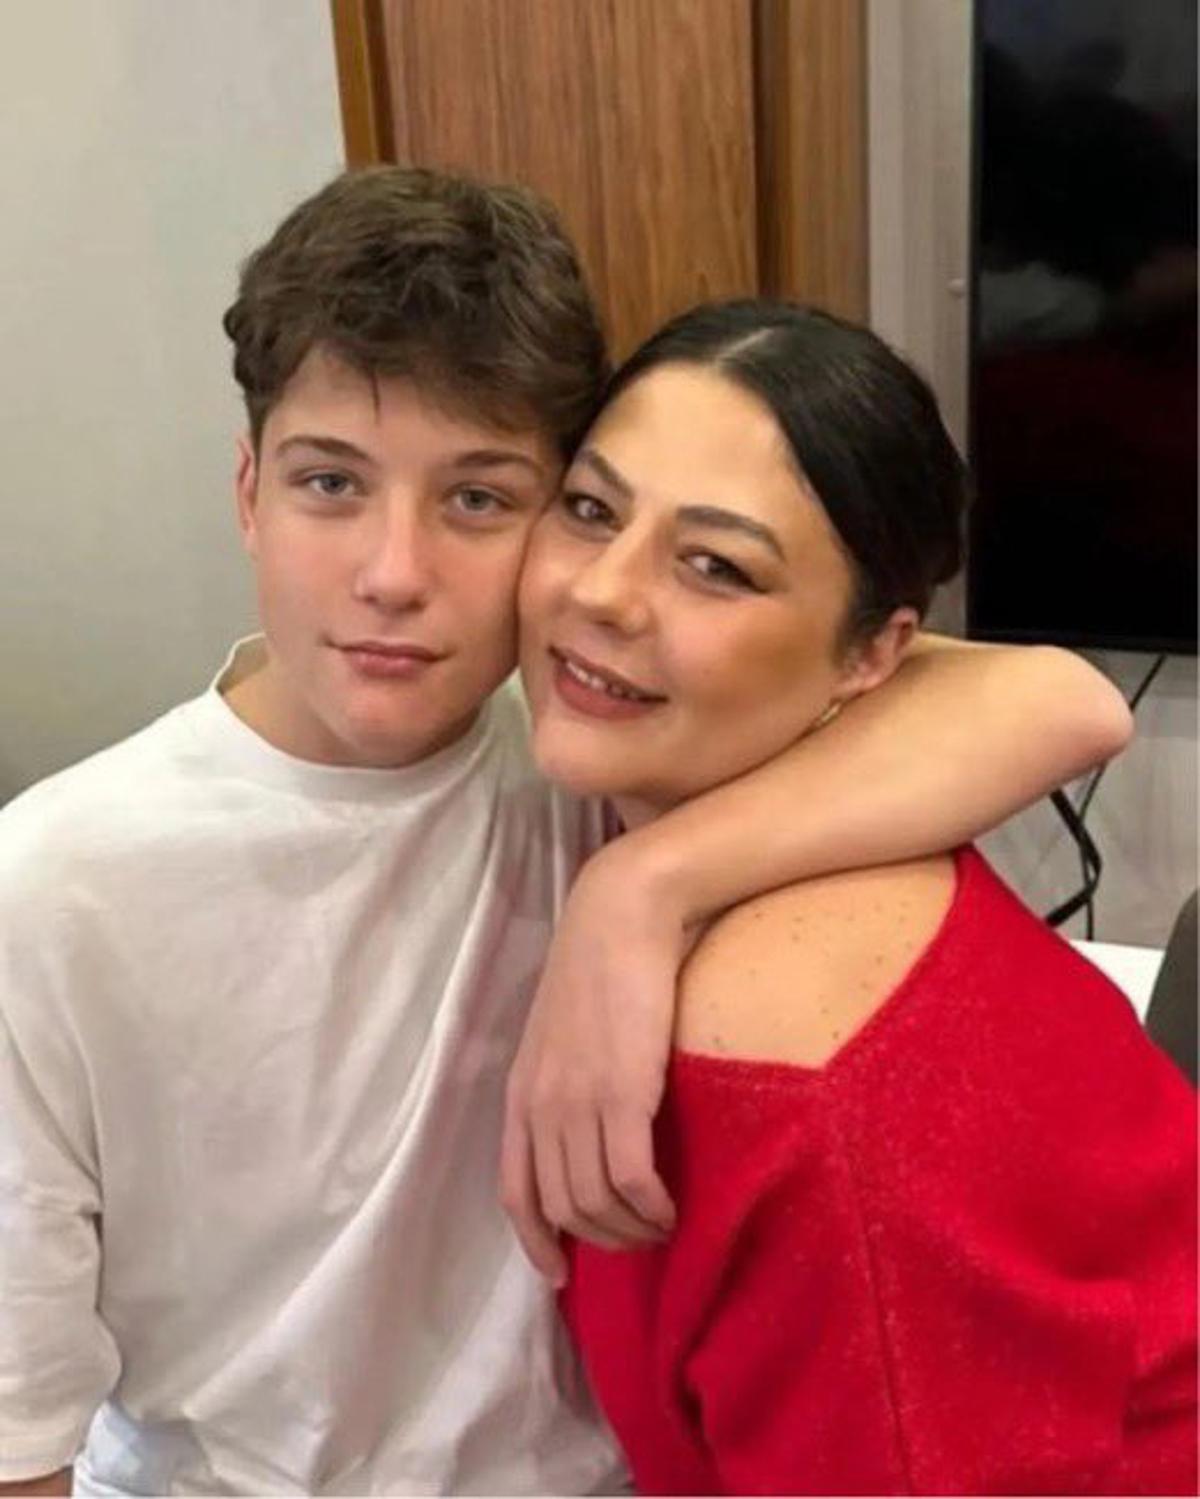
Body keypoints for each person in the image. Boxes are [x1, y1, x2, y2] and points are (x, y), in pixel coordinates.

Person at [0, 170, 1134, 1497]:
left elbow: (1063, 699)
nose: (393, 572)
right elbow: (25, 1435)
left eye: (479, 499)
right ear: (249, 489)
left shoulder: (589, 740)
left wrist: (638, 886)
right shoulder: (59, 886)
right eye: (330, 482)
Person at [518, 297, 1200, 1495]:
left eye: (717, 566)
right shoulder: (725, 789)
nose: (605, 592)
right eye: (590, 508)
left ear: (876, 655)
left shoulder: (798, 1074)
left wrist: (639, 885)